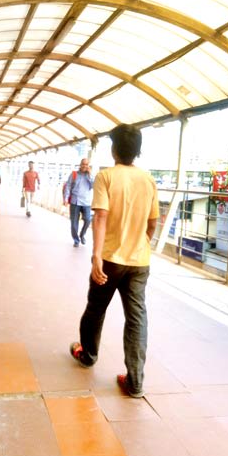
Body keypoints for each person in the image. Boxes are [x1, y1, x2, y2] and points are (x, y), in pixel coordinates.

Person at [69, 124, 159, 398]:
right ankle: (135, 382)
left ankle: (88, 355)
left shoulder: (106, 176)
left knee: (96, 308)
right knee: (136, 318)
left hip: (110, 259)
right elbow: (153, 223)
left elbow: (100, 217)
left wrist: (96, 255)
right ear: (138, 151)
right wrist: (141, 243)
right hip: (139, 261)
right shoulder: (148, 180)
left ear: (114, 149)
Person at [63, 158, 94, 247]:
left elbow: (93, 185)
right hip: (75, 201)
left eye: (86, 164)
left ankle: (82, 234)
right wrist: (65, 199)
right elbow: (68, 186)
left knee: (88, 219)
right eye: (83, 164)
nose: (84, 166)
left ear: (88, 166)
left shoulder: (90, 175)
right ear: (80, 165)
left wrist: (90, 174)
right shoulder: (74, 174)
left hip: (86, 202)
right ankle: (76, 240)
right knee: (73, 223)